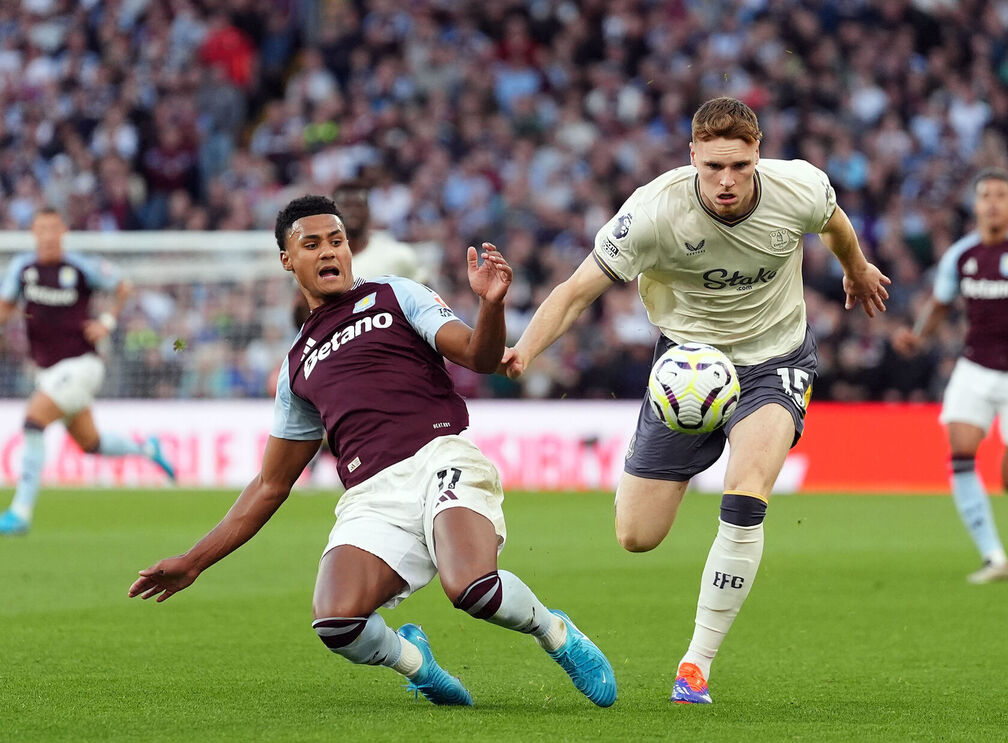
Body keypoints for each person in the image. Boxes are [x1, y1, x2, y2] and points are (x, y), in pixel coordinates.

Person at [129, 195, 616, 708]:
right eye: (311, 244)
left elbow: (479, 355)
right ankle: (415, 661)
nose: (328, 252)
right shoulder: (296, 366)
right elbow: (271, 484)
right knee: (336, 623)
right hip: (372, 494)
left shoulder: (394, 295)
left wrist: (490, 305)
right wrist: (194, 561)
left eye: (336, 241)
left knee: (472, 589)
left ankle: (556, 634)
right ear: (287, 260)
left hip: (439, 457)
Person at [500, 97, 891, 704]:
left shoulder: (800, 188)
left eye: (738, 165)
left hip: (774, 360)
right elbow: (577, 291)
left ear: (758, 153)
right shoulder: (653, 213)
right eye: (713, 167)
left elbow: (837, 228)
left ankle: (695, 665)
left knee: (746, 496)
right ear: (692, 159)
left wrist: (857, 270)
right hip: (684, 369)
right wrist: (524, 350)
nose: (726, 180)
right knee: (636, 535)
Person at [892, 168, 1008, 583]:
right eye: (985, 196)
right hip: (974, 368)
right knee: (960, 454)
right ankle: (993, 557)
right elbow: (942, 302)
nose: (992, 202)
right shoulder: (962, 254)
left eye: (1001, 195)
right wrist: (920, 335)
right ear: (976, 205)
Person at [0, 207, 175, 536]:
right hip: (47, 371)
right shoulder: (21, 268)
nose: (49, 235)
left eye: (54, 228)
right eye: (42, 229)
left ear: (63, 231)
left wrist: (107, 321)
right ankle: (149, 449)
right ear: (33, 233)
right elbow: (6, 307)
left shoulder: (80, 267)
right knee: (91, 443)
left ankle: (20, 511)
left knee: (34, 421)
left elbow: (123, 285)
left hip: (82, 365)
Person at [291, 178, 431, 328]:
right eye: (346, 205)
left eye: (358, 205)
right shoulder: (316, 261)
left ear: (369, 210)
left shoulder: (397, 254)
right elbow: (302, 319)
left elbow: (428, 302)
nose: (353, 211)